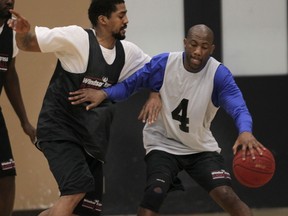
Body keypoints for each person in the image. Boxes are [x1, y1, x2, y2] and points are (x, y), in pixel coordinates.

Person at [67, 24, 266, 216]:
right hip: (163, 142)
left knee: (227, 195)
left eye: (204, 47)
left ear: (212, 49)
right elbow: (130, 85)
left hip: (199, 147)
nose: (197, 51)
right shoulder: (164, 63)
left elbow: (238, 107)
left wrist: (245, 131)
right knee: (154, 194)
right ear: (185, 42)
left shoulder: (219, 75)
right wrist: (104, 93)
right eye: (194, 44)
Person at [8, 0, 161, 215]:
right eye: (121, 15)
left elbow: (159, 71)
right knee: (76, 187)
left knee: (88, 210)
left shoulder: (128, 53)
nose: (127, 20)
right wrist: (22, 34)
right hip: (60, 131)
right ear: (103, 20)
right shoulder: (77, 39)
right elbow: (27, 44)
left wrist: (154, 94)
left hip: (92, 140)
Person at [0, 0, 36, 216]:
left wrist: (24, 121)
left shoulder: (12, 31)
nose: (9, 1)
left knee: (7, 173)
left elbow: (10, 75)